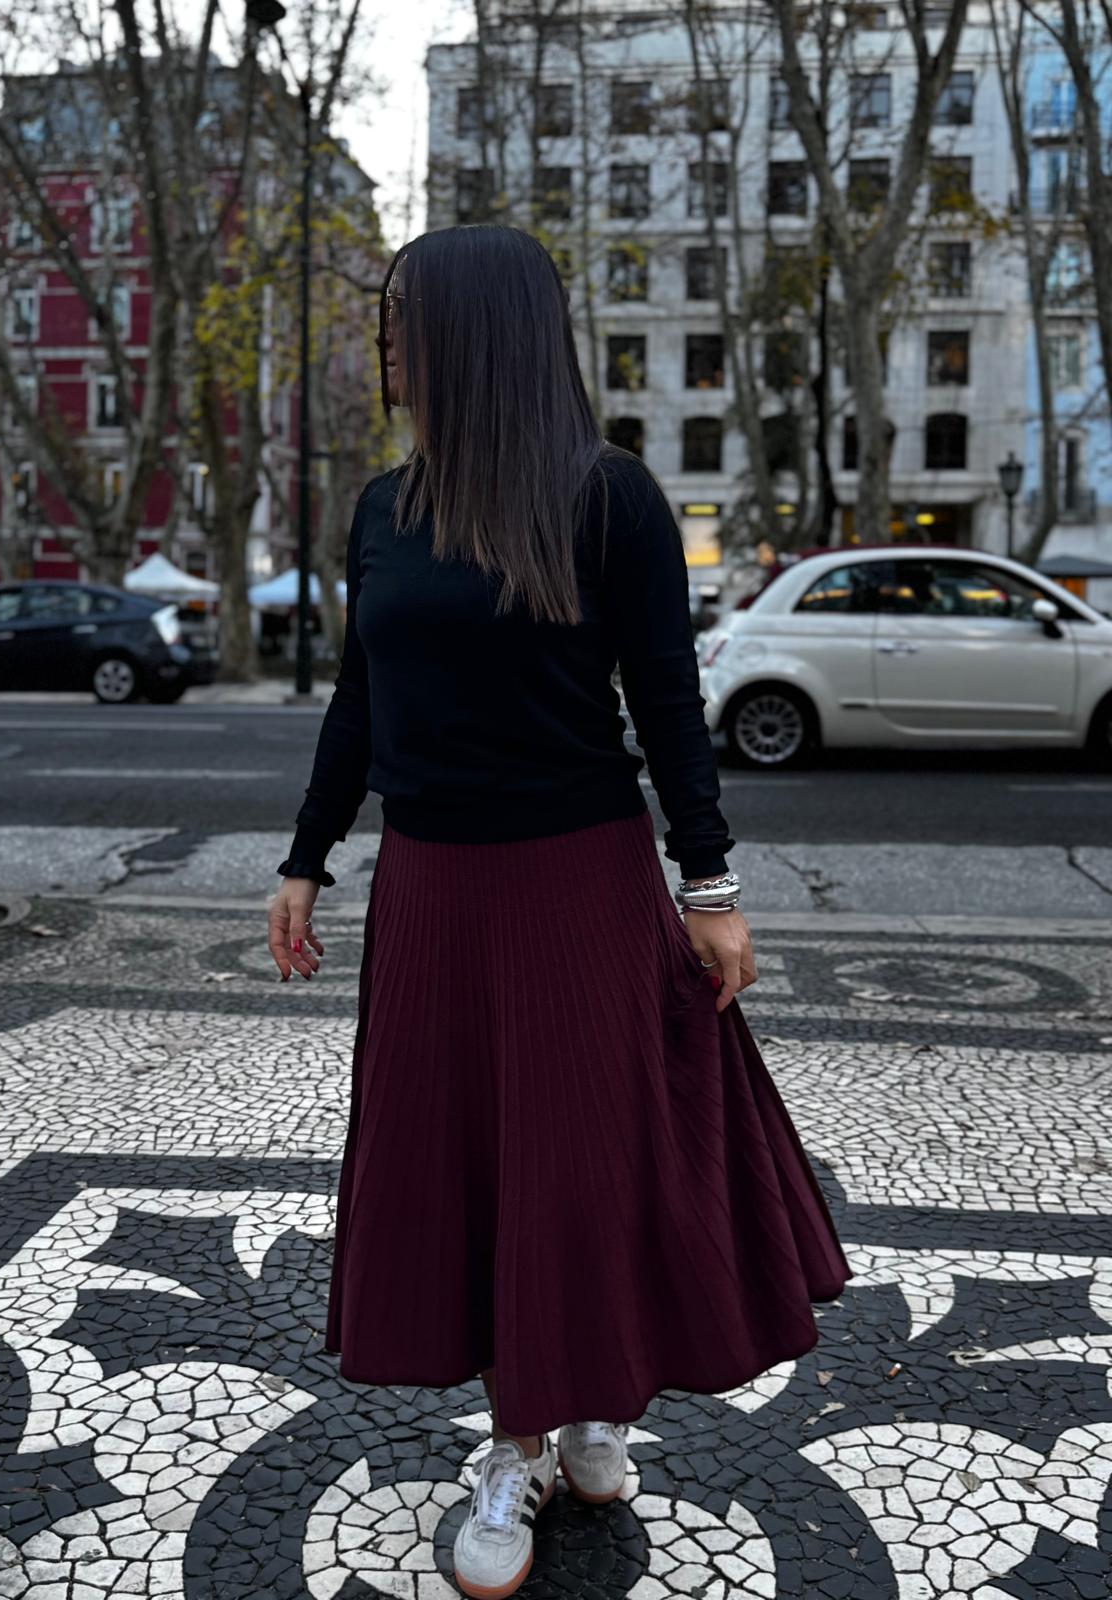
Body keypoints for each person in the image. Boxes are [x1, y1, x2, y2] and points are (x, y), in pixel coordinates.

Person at [267, 224, 853, 1600]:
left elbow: (667, 708)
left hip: (581, 886)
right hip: (430, 886)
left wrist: (711, 891)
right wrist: (306, 859)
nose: (387, 348)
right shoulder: (381, 509)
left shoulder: (611, 500)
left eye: (405, 324)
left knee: (577, 1170)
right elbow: (362, 701)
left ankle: (570, 1415)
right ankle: (520, 1436)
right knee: (469, 1165)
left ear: (477, 334)